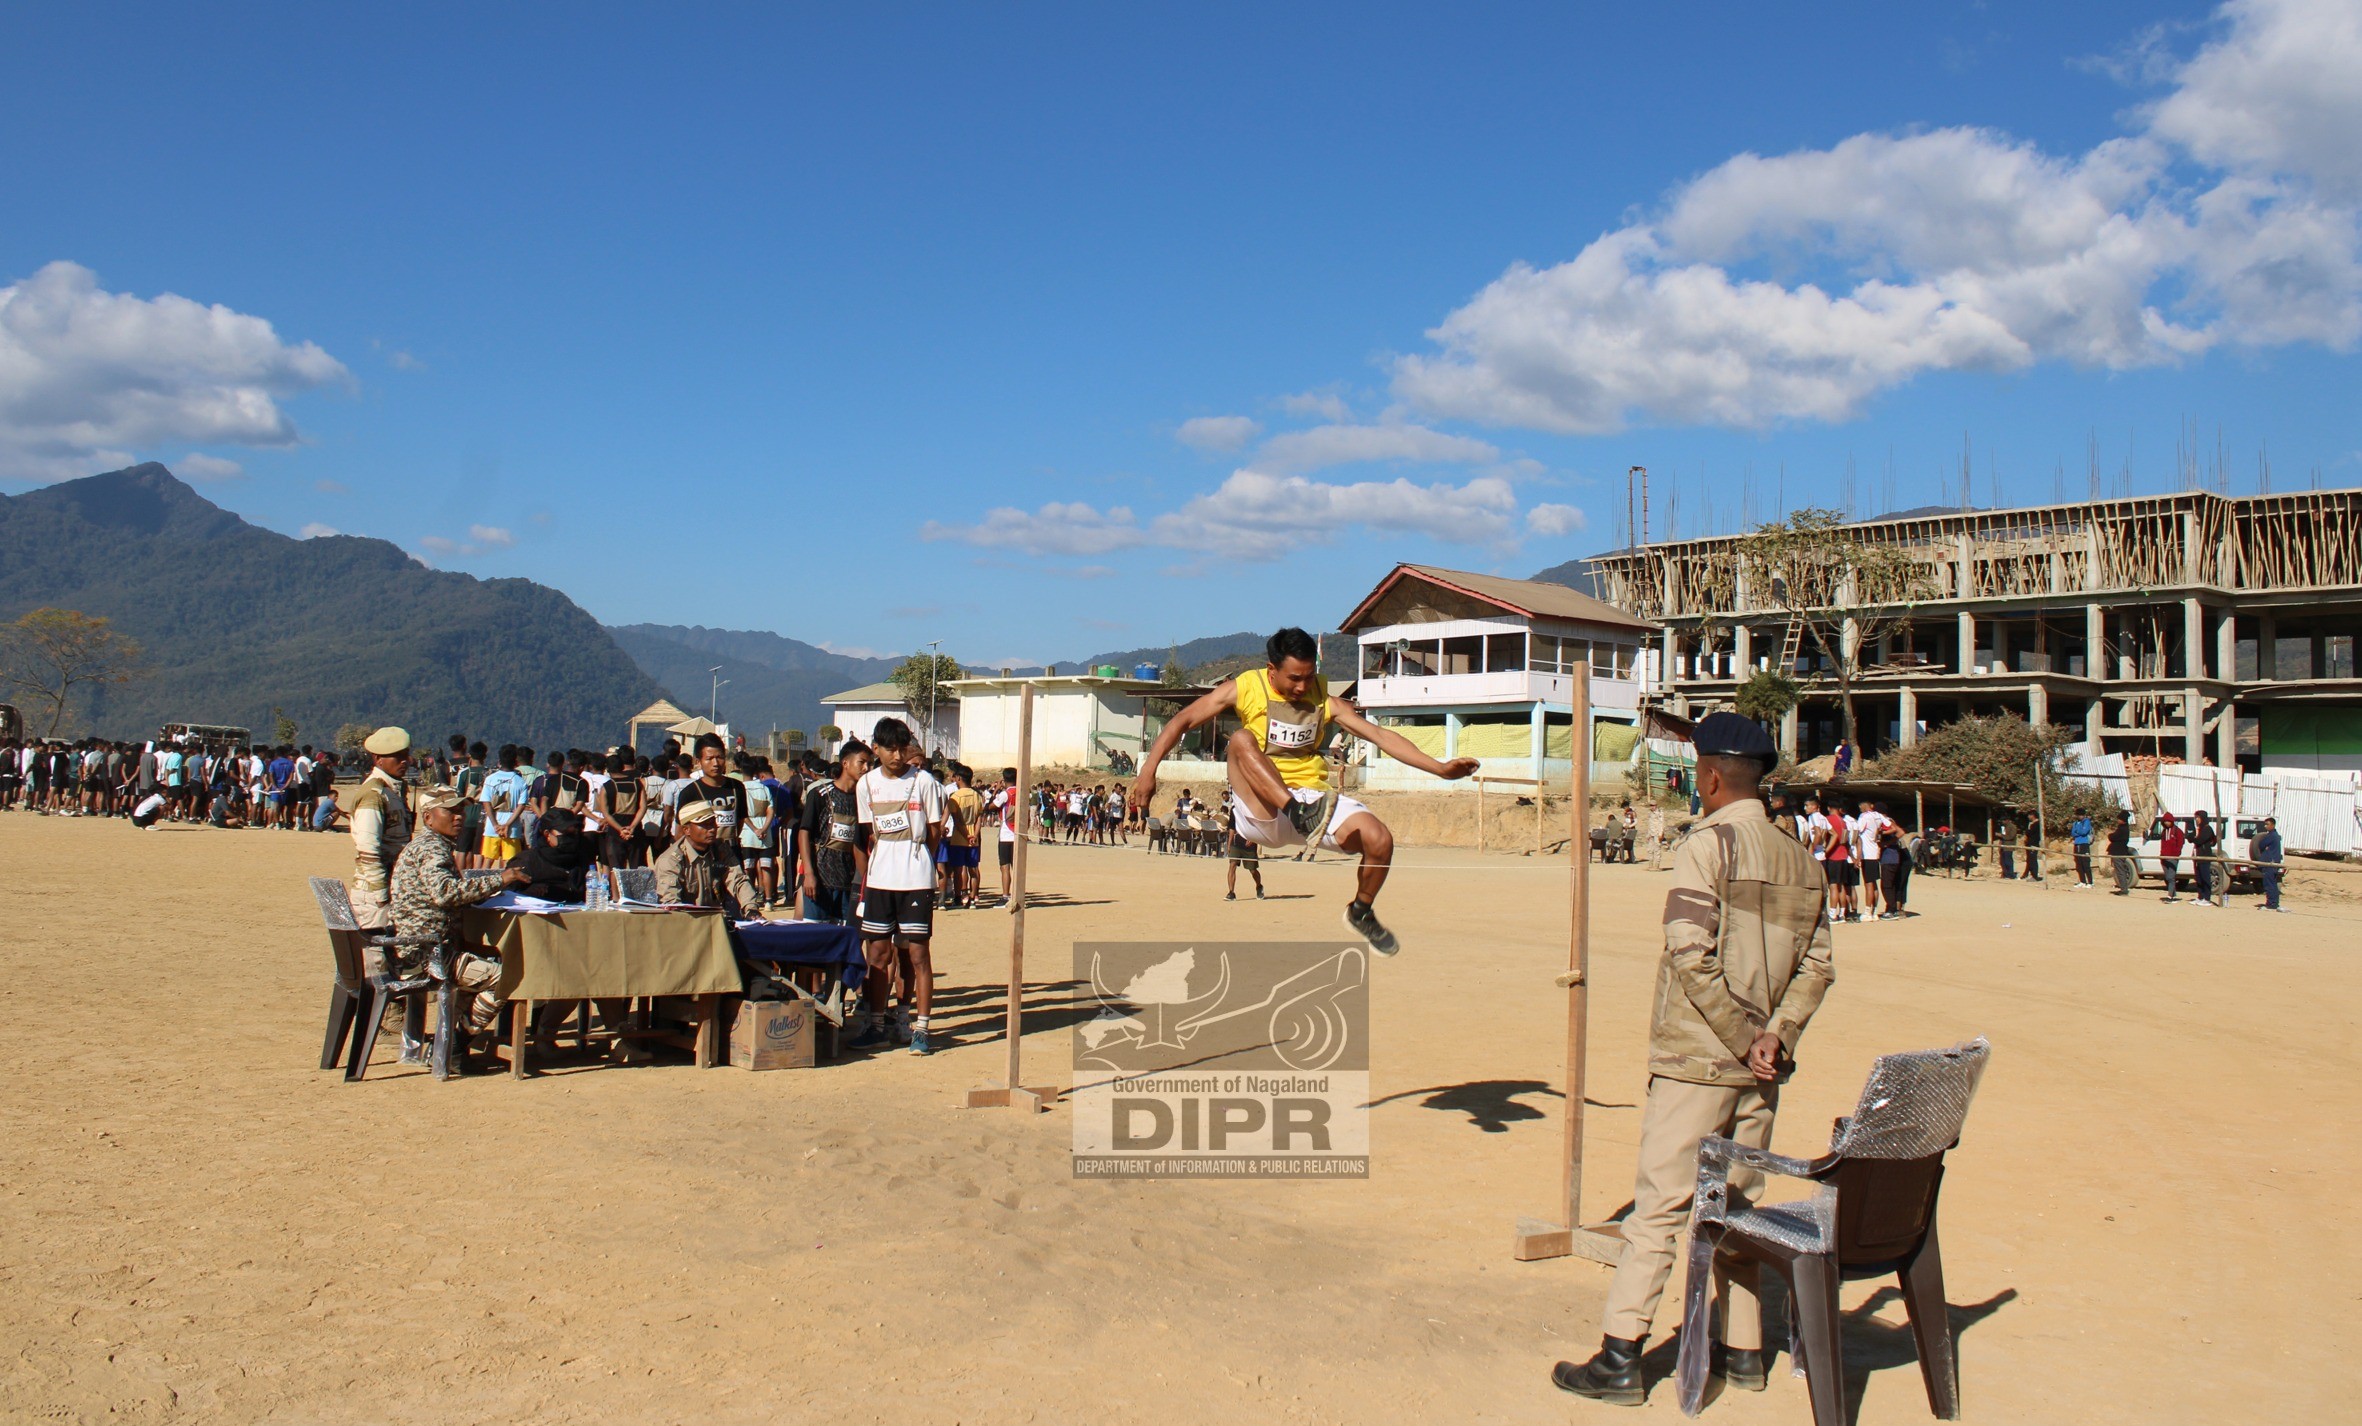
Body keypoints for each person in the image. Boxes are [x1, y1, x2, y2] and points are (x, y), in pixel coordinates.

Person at [1552, 713, 1836, 1406]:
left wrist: (1739, 1036)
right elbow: (1818, 966)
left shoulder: (1709, 844)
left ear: (1709, 777)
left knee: (1660, 1209)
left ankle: (1621, 1355)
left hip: (1697, 1062)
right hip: (1761, 1072)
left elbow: (1689, 950)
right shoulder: (1800, 856)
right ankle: (1743, 1354)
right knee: (1738, 1209)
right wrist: (1776, 1037)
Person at [1132, 627, 1479, 956]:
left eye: (1309, 677)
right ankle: (1296, 813)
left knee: (1379, 840)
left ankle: (1361, 911)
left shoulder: (1322, 698)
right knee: (1240, 739)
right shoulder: (1245, 687)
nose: (1302, 686)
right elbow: (1182, 721)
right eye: (1294, 678)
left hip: (1312, 800)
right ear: (1272, 669)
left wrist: (1440, 768)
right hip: (1262, 808)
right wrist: (1149, 772)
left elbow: (1381, 737)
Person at [391, 786, 529, 1061]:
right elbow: (444, 893)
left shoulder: (429, 845)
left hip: (427, 947)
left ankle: (448, 1041)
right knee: (506, 977)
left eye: (461, 812)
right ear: (428, 818)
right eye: (451, 811)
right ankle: (453, 1046)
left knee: (484, 966)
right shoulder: (432, 849)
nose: (459, 818)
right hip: (428, 953)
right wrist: (500, 879)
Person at [852, 718, 945, 1053]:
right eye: (890, 748)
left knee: (916, 954)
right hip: (880, 880)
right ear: (875, 748)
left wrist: (922, 861)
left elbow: (934, 831)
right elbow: (869, 834)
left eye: (902, 748)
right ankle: (875, 1023)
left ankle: (918, 1027)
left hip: (916, 879)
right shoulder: (866, 785)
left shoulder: (925, 782)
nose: (896, 755)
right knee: (877, 953)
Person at [347, 727, 414, 932]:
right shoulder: (374, 795)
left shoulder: (390, 791)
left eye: (405, 756)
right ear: (378, 759)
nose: (405, 761)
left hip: (390, 888)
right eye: (397, 757)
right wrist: (382, 897)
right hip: (374, 896)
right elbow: (368, 851)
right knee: (376, 959)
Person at [798, 740, 870, 924]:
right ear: (845, 763)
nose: (867, 768)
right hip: (820, 881)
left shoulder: (864, 801)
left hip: (848, 884)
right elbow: (804, 833)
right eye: (862, 762)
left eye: (869, 763)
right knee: (814, 939)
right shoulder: (821, 794)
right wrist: (809, 874)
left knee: (843, 939)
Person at [653, 800, 759, 915]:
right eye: (705, 825)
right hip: (688, 922)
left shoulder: (721, 849)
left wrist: (751, 908)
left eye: (713, 822)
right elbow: (671, 904)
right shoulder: (671, 860)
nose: (713, 829)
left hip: (717, 920)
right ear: (686, 830)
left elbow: (738, 880)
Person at [508, 806, 593, 902]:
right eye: (565, 833)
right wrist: (529, 893)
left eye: (575, 832)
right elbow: (507, 896)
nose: (571, 837)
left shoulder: (580, 858)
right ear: (547, 834)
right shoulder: (527, 861)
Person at [478, 745, 531, 862]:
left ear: (499, 761)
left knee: (487, 861)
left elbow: (486, 803)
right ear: (516, 762)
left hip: (492, 827)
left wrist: (495, 824)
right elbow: (521, 806)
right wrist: (507, 824)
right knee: (511, 861)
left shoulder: (490, 779)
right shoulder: (520, 782)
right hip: (512, 828)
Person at [2254, 816, 2285, 912]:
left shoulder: (2272, 836)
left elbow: (2261, 844)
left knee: (2269, 884)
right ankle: (2274, 903)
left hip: (2270, 864)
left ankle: (2271, 904)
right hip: (2272, 862)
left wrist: (2265, 847)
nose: (2265, 826)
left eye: (2267, 824)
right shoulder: (2274, 835)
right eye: (2265, 824)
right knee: (2272, 884)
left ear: (2273, 825)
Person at [2190, 809, 2220, 908]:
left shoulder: (2207, 829)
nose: (2196, 820)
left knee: (2205, 877)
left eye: (2198, 818)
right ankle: (2200, 896)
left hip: (2204, 856)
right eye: (2195, 818)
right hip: (2197, 856)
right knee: (2198, 877)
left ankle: (2207, 898)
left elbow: (2200, 840)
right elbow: (2194, 839)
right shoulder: (2198, 829)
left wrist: (2193, 838)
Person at [2158, 812, 2185, 901]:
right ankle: (2173, 894)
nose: (2166, 823)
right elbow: (2163, 843)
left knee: (2171, 877)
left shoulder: (2177, 831)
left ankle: (2170, 896)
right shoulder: (2164, 832)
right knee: (2167, 877)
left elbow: (2181, 842)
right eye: (2165, 821)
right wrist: (2161, 854)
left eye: (2168, 821)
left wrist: (2176, 853)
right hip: (2164, 857)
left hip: (2173, 857)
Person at [2107, 815, 2137, 895]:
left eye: (2119, 819)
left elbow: (2113, 837)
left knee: (2120, 871)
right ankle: (2123, 888)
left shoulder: (2122, 829)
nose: (2118, 821)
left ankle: (2124, 889)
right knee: (2120, 871)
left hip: (2119, 852)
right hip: (2118, 851)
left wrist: (2110, 836)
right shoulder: (2122, 828)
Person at [2070, 811, 2095, 888]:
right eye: (2078, 815)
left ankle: (2090, 882)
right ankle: (2082, 881)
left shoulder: (2086, 822)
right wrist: (2078, 831)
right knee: (2078, 863)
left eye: (2081, 815)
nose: (2080, 816)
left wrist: (2078, 831)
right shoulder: (2075, 823)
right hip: (2077, 844)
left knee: (2086, 863)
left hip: (2084, 844)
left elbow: (2084, 832)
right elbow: (2073, 833)